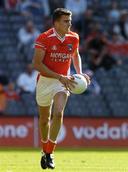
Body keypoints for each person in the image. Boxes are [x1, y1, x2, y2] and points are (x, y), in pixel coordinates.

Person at [33, 8, 90, 169]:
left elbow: (75, 54)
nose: (69, 24)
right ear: (56, 22)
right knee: (44, 121)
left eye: (70, 21)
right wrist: (59, 76)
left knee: (58, 114)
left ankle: (50, 153)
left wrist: (80, 74)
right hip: (45, 81)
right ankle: (44, 151)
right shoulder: (44, 38)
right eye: (66, 21)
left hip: (63, 82)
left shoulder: (74, 37)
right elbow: (37, 64)